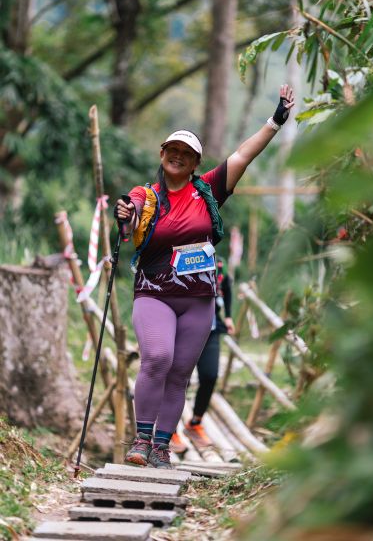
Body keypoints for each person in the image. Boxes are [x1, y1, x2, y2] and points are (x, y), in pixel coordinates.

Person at [115, 84, 294, 469]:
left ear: (196, 162)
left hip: (199, 299)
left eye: (186, 153)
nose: (178, 156)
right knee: (157, 358)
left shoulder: (209, 189)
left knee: (180, 373)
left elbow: (243, 154)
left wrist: (275, 121)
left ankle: (162, 447)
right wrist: (125, 214)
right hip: (154, 293)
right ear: (162, 154)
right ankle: (141, 440)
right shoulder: (147, 194)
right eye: (173, 150)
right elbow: (131, 213)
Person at [170, 256, 235, 453]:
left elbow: (227, 287)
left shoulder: (217, 263)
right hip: (183, 328)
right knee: (180, 379)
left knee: (210, 375)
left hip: (210, 328)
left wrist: (228, 316)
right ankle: (169, 431)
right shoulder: (180, 257)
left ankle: (195, 423)